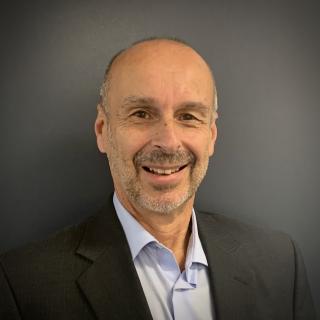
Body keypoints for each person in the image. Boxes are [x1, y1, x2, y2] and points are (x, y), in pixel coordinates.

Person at [0, 38, 316, 320]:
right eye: (141, 114)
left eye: (188, 116)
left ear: (211, 136)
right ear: (102, 131)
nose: (168, 142)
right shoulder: (22, 285)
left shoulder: (280, 264)